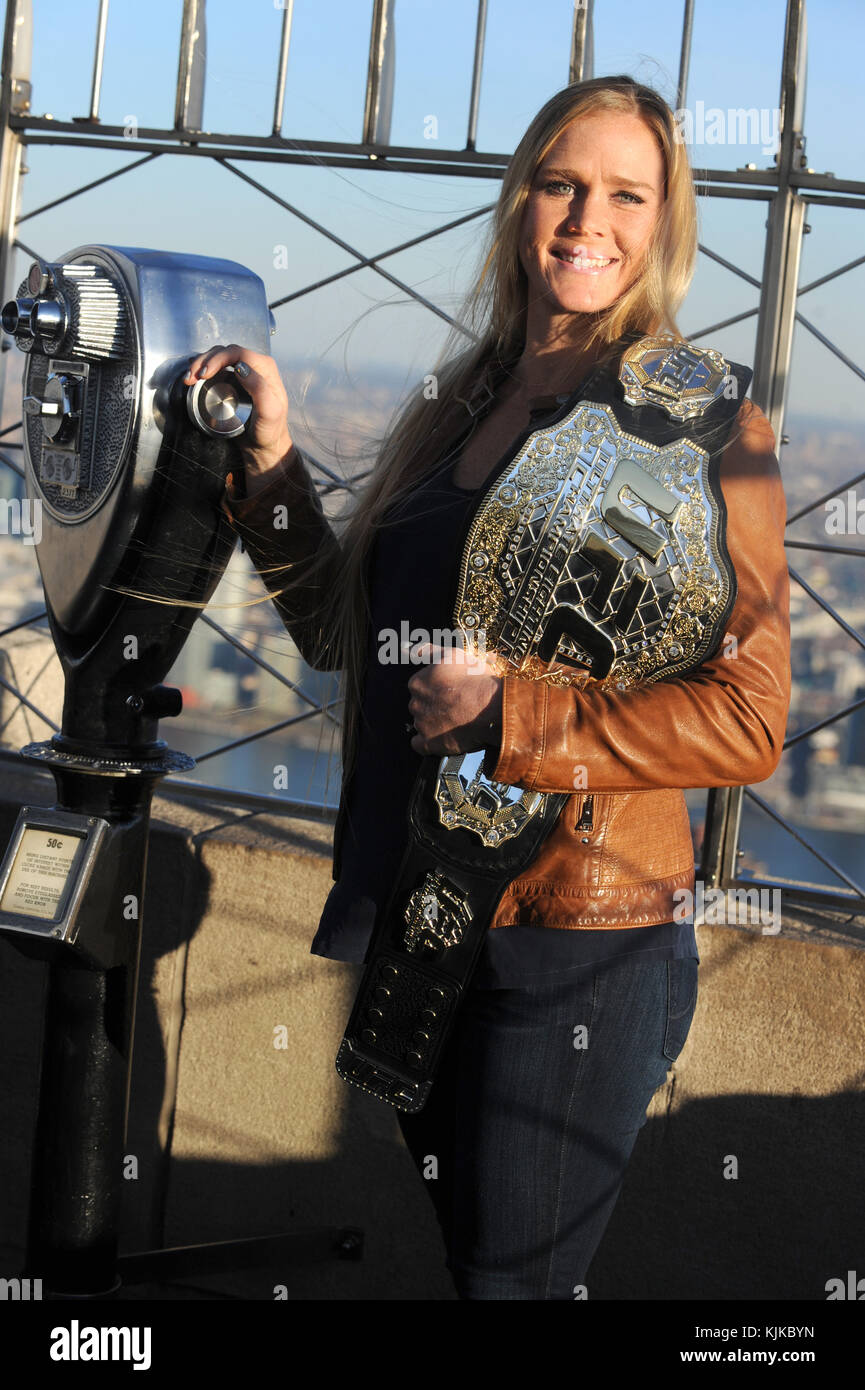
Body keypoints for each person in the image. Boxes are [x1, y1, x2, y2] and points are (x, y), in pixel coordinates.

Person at [184, 75, 790, 1300]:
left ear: (664, 225)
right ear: (522, 201)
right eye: (563, 184)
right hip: (425, 914)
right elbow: (339, 630)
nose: (587, 219)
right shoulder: (459, 396)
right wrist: (272, 463)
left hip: (582, 938)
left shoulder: (715, 428)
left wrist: (517, 718)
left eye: (628, 194)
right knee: (477, 1274)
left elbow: (751, 716)